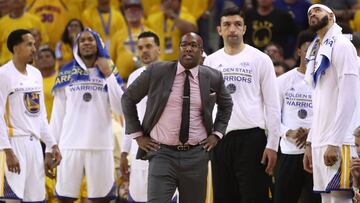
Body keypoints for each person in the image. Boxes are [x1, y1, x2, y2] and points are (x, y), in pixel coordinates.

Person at [121, 32, 233, 203]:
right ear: (179, 48)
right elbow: (128, 98)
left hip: (196, 155)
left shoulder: (213, 76)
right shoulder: (157, 71)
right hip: (161, 153)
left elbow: (226, 106)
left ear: (201, 51)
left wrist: (217, 134)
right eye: (184, 44)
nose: (188, 48)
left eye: (193, 45)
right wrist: (138, 135)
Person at [204, 7, 281, 203]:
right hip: (219, 141)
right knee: (223, 198)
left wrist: (273, 144)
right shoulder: (210, 62)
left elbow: (273, 105)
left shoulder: (261, 59)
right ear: (219, 30)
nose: (232, 29)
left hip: (252, 139)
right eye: (227, 25)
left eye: (237, 24)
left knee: (254, 198)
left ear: (245, 29)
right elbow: (203, 106)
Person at [50, 28, 124, 202]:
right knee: (64, 198)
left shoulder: (109, 70)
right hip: (70, 145)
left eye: (90, 39)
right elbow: (57, 114)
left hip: (101, 145)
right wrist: (51, 146)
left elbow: (120, 108)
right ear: (77, 46)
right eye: (82, 41)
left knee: (102, 199)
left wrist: (109, 75)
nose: (86, 43)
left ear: (98, 44)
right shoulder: (66, 72)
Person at [303, 4, 360, 203]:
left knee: (340, 198)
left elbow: (349, 95)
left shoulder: (342, 45)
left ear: (332, 16)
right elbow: (317, 102)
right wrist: (310, 142)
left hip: (339, 140)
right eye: (310, 12)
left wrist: (334, 142)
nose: (313, 13)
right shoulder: (317, 51)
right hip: (321, 138)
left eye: (318, 10)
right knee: (327, 199)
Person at [0, 29, 61, 202]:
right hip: (13, 144)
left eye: (34, 44)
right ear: (16, 47)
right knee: (11, 199)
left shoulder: (36, 74)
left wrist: (52, 145)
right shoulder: (3, 75)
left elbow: (41, 116)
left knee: (36, 199)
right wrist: (7, 151)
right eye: (29, 44)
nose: (34, 48)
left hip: (35, 146)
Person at [273, 30, 321, 203]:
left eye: (315, 50)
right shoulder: (282, 81)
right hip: (289, 151)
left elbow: (329, 115)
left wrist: (312, 133)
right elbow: (271, 117)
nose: (311, 54)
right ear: (298, 51)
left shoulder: (324, 83)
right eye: (307, 49)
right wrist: (288, 132)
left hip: (316, 152)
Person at [120, 31, 161, 203]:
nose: (144, 51)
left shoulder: (173, 73)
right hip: (138, 149)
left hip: (164, 150)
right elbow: (129, 117)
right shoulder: (134, 76)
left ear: (159, 49)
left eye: (149, 46)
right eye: (141, 47)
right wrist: (124, 150)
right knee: (137, 198)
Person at [110, 0, 151, 81]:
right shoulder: (117, 35)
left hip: (146, 79)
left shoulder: (151, 33)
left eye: (136, 10)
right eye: (129, 10)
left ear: (142, 12)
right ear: (124, 13)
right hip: (122, 81)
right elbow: (111, 60)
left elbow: (158, 57)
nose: (133, 12)